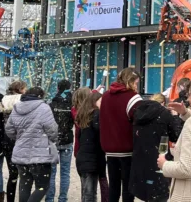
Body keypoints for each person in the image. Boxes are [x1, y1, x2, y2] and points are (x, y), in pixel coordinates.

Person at [5, 86, 59, 202]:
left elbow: (9, 129)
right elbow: (52, 130)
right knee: (42, 186)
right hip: (41, 155)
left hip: (21, 154)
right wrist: (52, 139)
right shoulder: (44, 108)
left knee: (25, 185)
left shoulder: (16, 107)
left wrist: (20, 139)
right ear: (41, 96)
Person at [99, 68, 143, 202]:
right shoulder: (133, 98)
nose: (137, 86)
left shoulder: (106, 96)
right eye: (136, 82)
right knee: (128, 189)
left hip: (110, 150)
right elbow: (139, 122)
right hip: (127, 149)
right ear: (131, 81)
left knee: (114, 187)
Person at [129, 97, 183, 202]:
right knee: (159, 195)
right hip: (159, 159)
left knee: (146, 192)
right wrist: (176, 117)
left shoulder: (138, 113)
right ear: (163, 103)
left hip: (140, 160)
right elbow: (176, 136)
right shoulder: (164, 114)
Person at [76, 91, 105, 202]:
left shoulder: (84, 115)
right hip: (92, 159)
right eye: (101, 101)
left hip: (83, 157)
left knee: (86, 191)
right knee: (90, 193)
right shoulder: (96, 113)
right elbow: (101, 131)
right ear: (94, 101)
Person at [47, 80, 74, 202]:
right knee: (65, 172)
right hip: (67, 139)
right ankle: (63, 198)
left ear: (58, 88)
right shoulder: (72, 104)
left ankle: (50, 198)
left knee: (51, 172)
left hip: (53, 140)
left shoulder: (52, 103)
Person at [1, 80, 26, 202]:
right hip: (20, 139)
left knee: (13, 173)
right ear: (20, 89)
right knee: (24, 173)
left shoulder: (4, 99)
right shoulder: (23, 100)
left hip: (7, 138)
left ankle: (10, 199)